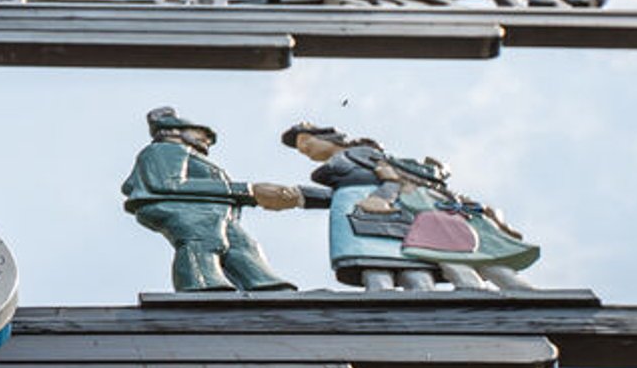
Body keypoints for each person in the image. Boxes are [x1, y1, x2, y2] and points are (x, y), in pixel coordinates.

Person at [281, 122, 539, 291]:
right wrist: (297, 196)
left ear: (328, 135)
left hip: (382, 214)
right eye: (301, 147)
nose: (305, 149)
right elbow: (337, 194)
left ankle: (480, 291)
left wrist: (383, 196)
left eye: (306, 141)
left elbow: (390, 177)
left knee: (423, 262)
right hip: (364, 215)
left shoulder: (358, 154)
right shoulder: (346, 164)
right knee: (385, 267)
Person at [121, 107, 310, 292]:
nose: (207, 139)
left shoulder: (187, 153)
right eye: (198, 132)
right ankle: (202, 283)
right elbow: (167, 184)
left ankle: (263, 283)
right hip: (182, 209)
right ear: (174, 131)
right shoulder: (166, 149)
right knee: (205, 239)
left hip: (215, 211)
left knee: (241, 244)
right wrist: (247, 191)